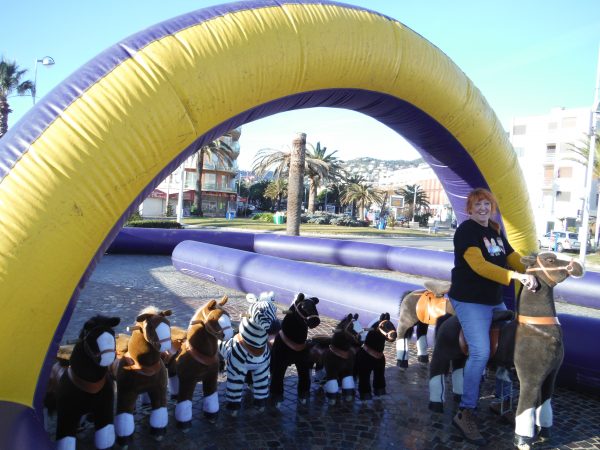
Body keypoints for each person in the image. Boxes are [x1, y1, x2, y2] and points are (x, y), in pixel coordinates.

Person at [448, 188, 538, 446]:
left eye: (487, 204)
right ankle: (465, 411)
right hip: (470, 299)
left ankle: (503, 402)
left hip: (492, 299)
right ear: (469, 209)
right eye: (478, 205)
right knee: (481, 352)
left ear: (493, 206)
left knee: (507, 350)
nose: (483, 208)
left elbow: (511, 257)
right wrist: (515, 277)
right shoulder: (466, 231)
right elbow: (480, 266)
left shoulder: (495, 230)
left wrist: (533, 269)